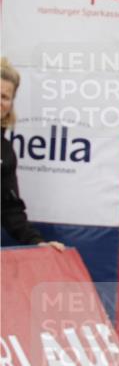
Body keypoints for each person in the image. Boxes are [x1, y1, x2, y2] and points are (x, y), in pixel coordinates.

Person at [1, 58, 64, 250]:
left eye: (5, 97)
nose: (0, 101)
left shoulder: (6, 151)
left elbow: (10, 210)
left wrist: (38, 243)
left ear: (11, 104)